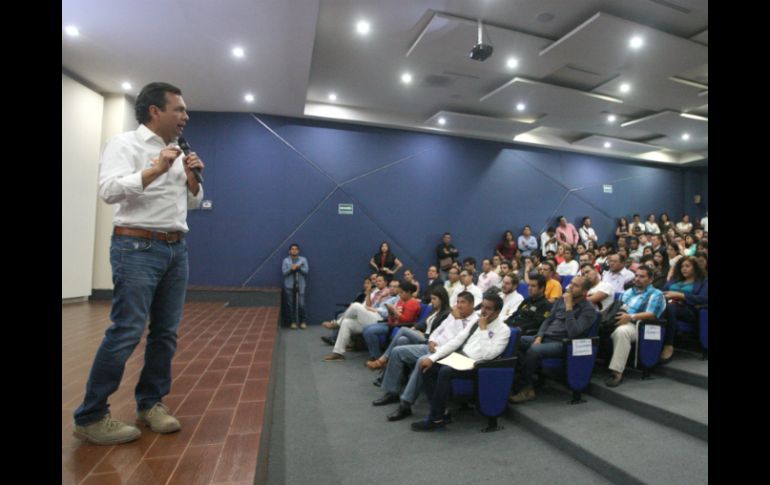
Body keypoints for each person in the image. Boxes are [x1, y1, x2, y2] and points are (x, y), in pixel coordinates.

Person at [73, 82, 205, 445]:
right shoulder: (124, 144)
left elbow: (192, 204)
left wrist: (193, 181)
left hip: (176, 249)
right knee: (127, 330)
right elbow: (109, 191)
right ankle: (91, 415)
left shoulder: (178, 150)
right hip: (136, 246)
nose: (185, 116)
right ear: (154, 111)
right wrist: (154, 170)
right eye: (178, 109)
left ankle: (151, 404)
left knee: (165, 332)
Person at [412, 294, 511, 431]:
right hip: (460, 359)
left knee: (445, 371)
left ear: (498, 312)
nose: (483, 311)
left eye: (488, 308)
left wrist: (483, 329)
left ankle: (435, 419)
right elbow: (457, 340)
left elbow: (488, 356)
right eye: (482, 306)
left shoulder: (503, 330)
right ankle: (442, 412)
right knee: (426, 365)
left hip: (478, 367)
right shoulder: (476, 320)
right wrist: (432, 358)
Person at [510, 276, 598, 403]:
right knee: (514, 341)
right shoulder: (561, 300)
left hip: (562, 343)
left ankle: (523, 387)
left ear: (584, 292)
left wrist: (569, 308)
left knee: (535, 350)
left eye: (576, 285)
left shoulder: (589, 310)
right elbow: (548, 319)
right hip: (545, 337)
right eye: (571, 283)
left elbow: (573, 333)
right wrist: (539, 336)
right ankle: (526, 384)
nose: (570, 287)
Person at [604, 267, 666, 387]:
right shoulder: (628, 292)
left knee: (622, 332)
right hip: (619, 320)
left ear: (651, 279)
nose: (637, 279)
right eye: (636, 276)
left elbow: (652, 314)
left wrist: (631, 317)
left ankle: (617, 372)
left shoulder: (655, 294)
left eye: (642, 277)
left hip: (638, 326)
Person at [659, 256, 708, 362]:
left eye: (687, 266)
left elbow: (703, 299)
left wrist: (680, 295)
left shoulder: (703, 281)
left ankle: (668, 345)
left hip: (689, 310)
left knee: (671, 307)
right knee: (667, 307)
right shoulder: (675, 280)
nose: (684, 269)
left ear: (695, 268)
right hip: (668, 305)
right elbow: (662, 291)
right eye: (682, 266)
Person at [282, 243, 309, 329]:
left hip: (300, 285)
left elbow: (306, 271)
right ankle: (293, 322)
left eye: (296, 249)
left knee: (301, 304)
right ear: (289, 251)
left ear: (298, 251)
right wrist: (291, 268)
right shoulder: (285, 261)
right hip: (289, 285)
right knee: (290, 304)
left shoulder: (303, 260)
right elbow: (284, 273)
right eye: (292, 249)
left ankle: (303, 322)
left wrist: (298, 268)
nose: (294, 250)